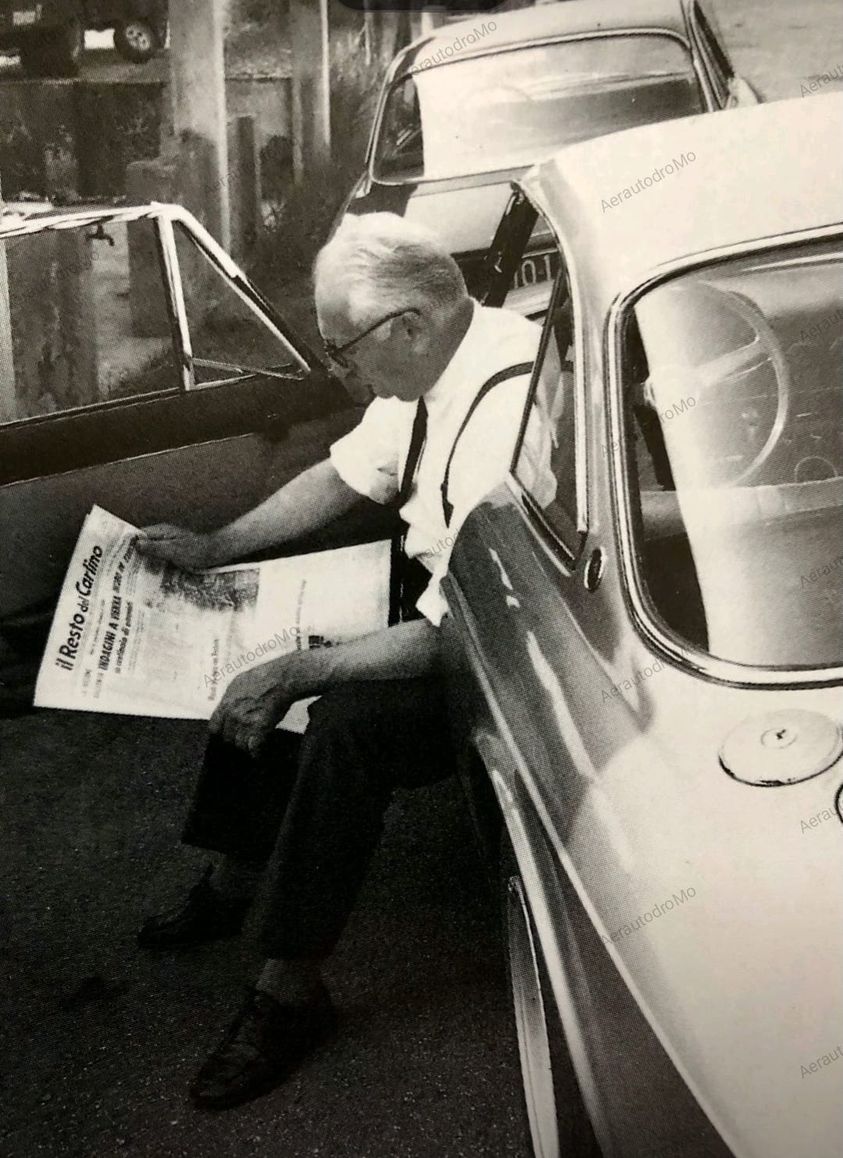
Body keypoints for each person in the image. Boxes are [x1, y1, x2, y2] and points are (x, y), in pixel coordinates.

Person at [136, 212, 540, 1111]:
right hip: (450, 600)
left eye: (341, 350)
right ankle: (240, 876)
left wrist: (301, 672)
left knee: (344, 721)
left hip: (503, 647)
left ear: (410, 326)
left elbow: (458, 633)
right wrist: (220, 546)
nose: (338, 373)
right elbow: (345, 474)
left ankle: (288, 993)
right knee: (278, 633)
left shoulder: (507, 407)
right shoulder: (434, 361)